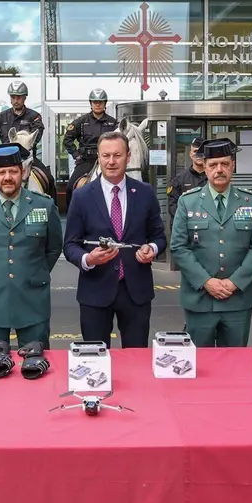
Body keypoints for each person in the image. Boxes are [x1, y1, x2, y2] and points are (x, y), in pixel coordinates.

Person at [64, 132, 166, 348]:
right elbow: (70, 244)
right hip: (95, 292)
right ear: (99, 158)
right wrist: (88, 259)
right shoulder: (81, 196)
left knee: (136, 359)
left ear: (128, 157)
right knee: (95, 361)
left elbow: (159, 237)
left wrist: (152, 249)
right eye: (106, 155)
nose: (111, 161)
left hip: (136, 292)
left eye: (117, 155)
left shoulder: (145, 193)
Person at [0, 144, 63, 349]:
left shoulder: (44, 205)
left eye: (13, 171)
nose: (8, 177)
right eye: (2, 172)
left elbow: (53, 248)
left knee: (36, 365)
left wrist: (33, 271)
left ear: (23, 172)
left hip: (33, 299)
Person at [169, 138, 252, 347]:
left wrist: (234, 282)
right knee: (199, 365)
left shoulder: (251, 201)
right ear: (204, 167)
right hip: (200, 299)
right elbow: (178, 247)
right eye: (213, 165)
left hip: (237, 300)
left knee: (234, 365)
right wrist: (206, 281)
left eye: (224, 164)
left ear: (233, 165)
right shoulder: (188, 201)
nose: (219, 169)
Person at [0, 80, 54, 199]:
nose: (16, 100)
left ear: (24, 98)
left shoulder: (34, 116)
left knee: (48, 179)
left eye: (19, 97)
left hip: (27, 159)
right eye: (13, 97)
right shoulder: (1, 117)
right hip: (4, 159)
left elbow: (38, 132)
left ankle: (52, 210)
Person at [62, 89, 118, 201]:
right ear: (91, 103)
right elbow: (67, 139)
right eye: (95, 102)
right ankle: (71, 216)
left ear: (105, 104)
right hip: (86, 161)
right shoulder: (81, 121)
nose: (97, 104)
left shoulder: (113, 123)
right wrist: (76, 155)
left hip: (106, 161)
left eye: (100, 102)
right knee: (69, 188)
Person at [167, 137, 207, 221]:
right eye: (196, 151)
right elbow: (173, 209)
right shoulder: (179, 180)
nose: (199, 155)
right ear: (190, 154)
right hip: (188, 228)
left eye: (202, 151)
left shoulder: (214, 179)